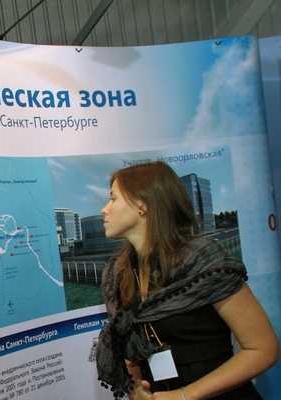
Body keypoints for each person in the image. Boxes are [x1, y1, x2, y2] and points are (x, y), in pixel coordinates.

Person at [95, 161, 279, 399]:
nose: (104, 209)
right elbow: (129, 347)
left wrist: (184, 395)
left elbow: (262, 349)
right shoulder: (117, 273)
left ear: (142, 206)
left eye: (113, 199)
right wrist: (136, 389)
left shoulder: (203, 261)